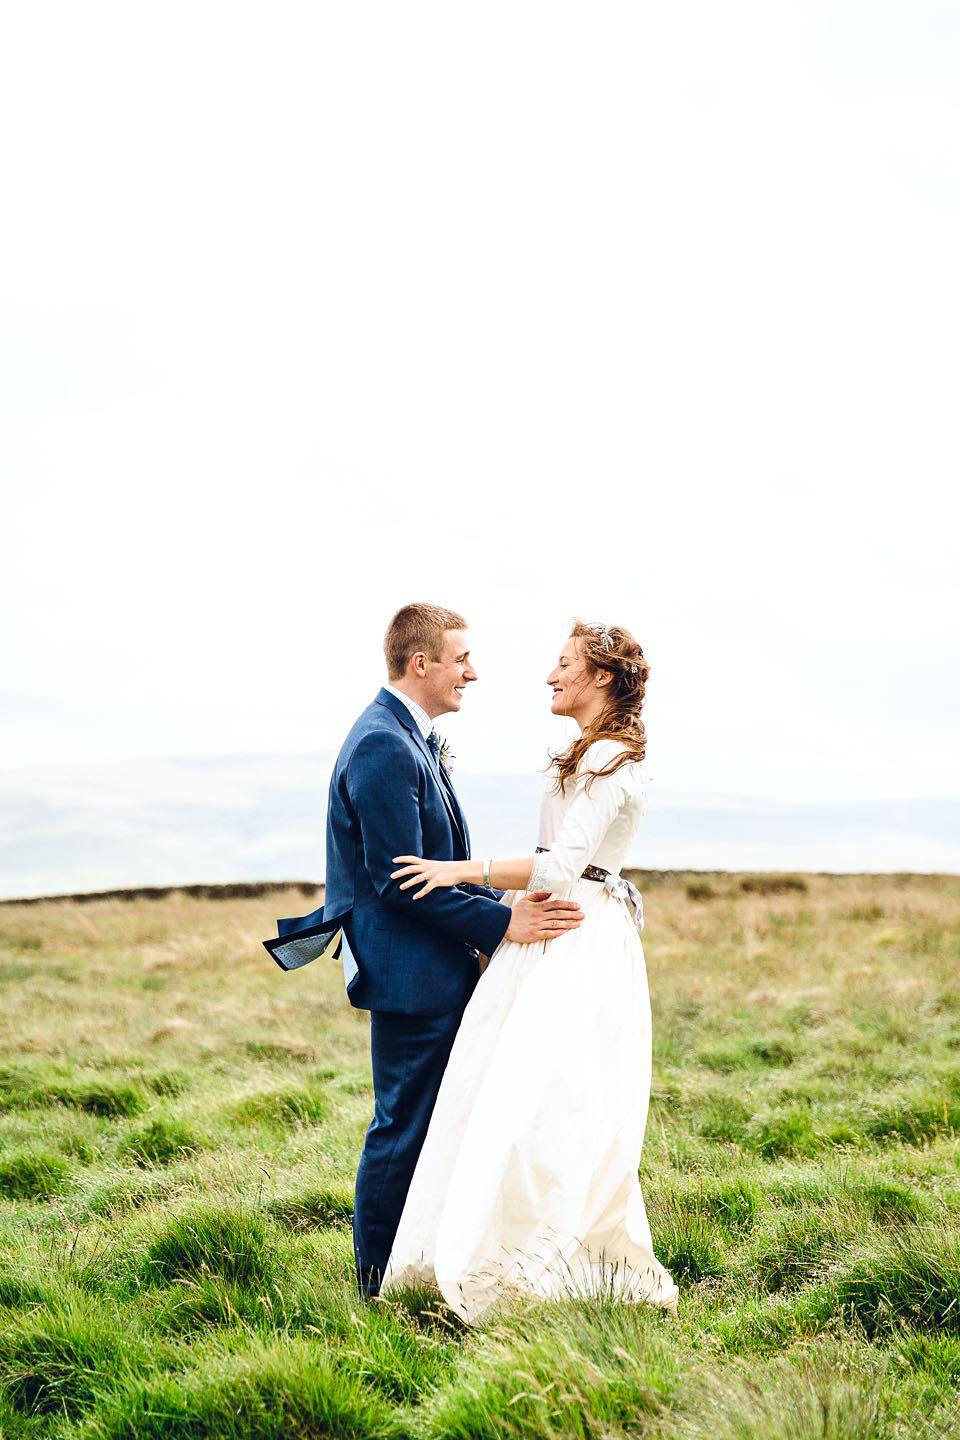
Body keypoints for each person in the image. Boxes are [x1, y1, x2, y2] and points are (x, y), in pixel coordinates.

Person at [380, 620, 679, 1323]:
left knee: (552, 1097)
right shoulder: (584, 752)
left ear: (602, 677)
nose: (550, 674)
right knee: (501, 1089)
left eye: (565, 663)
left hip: (577, 937)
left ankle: (546, 1256)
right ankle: (490, 1243)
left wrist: (456, 872)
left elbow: (560, 865)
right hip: (545, 927)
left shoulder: (611, 756)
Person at [324, 603, 585, 1299]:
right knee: (402, 1128)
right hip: (410, 975)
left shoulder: (408, 738)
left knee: (435, 1127)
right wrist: (504, 925)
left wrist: (497, 906)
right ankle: (375, 1288)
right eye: (461, 658)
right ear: (422, 664)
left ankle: (421, 1265)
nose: (473, 672)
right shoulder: (383, 743)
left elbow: (435, 869)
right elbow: (402, 882)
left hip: (432, 967)